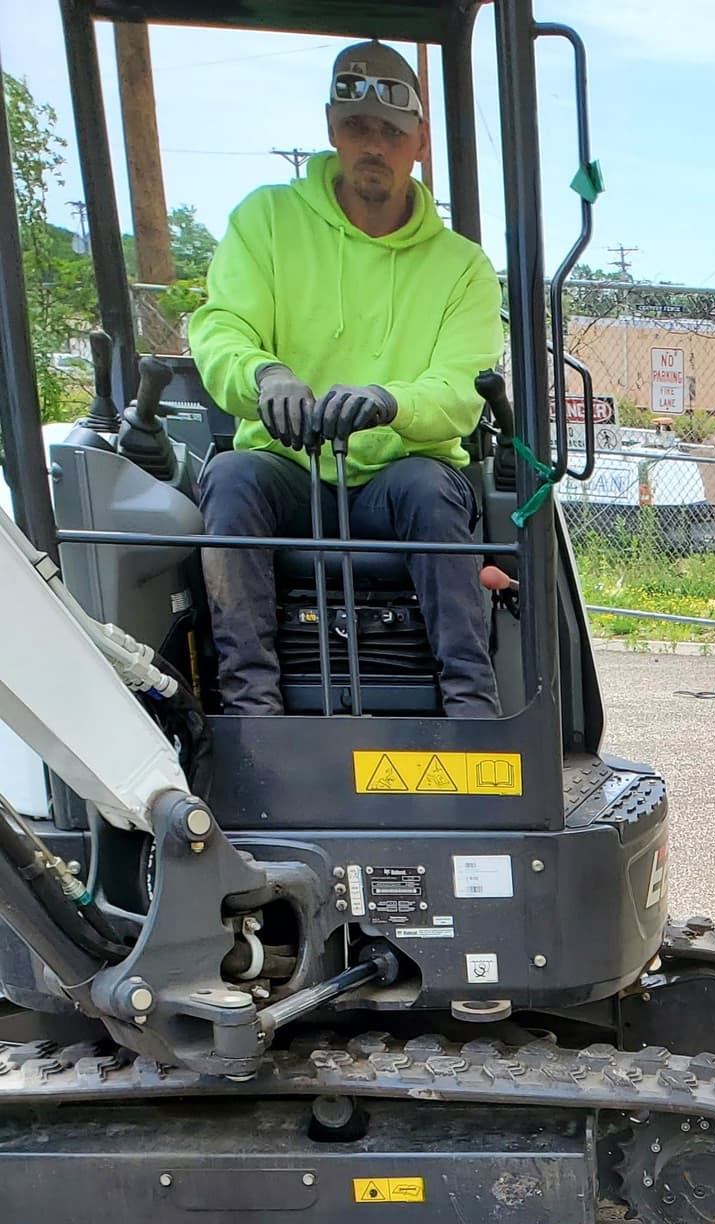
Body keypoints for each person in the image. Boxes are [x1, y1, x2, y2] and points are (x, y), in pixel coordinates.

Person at [187, 40, 503, 717]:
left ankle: (473, 713)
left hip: (398, 480)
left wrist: (392, 403)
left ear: (419, 142)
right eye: (358, 127)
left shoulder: (462, 267)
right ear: (331, 126)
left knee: (432, 490)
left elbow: (460, 389)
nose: (373, 145)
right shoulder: (266, 222)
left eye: (391, 132)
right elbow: (220, 329)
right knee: (233, 477)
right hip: (288, 468)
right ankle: (253, 716)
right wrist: (264, 374)